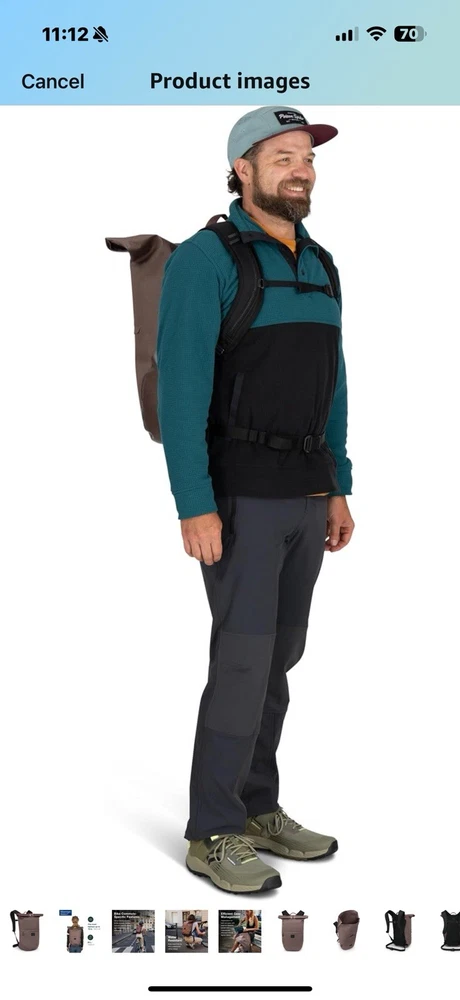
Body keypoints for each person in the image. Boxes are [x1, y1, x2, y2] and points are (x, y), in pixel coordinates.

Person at [157, 104, 355, 893]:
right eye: (283, 156)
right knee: (242, 662)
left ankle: (257, 806)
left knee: (279, 659)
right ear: (242, 169)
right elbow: (181, 390)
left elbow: (334, 381)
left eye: (307, 157)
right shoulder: (206, 260)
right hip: (240, 496)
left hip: (306, 494)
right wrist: (193, 501)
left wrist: (337, 484)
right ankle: (212, 831)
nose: (301, 169)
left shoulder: (321, 262)